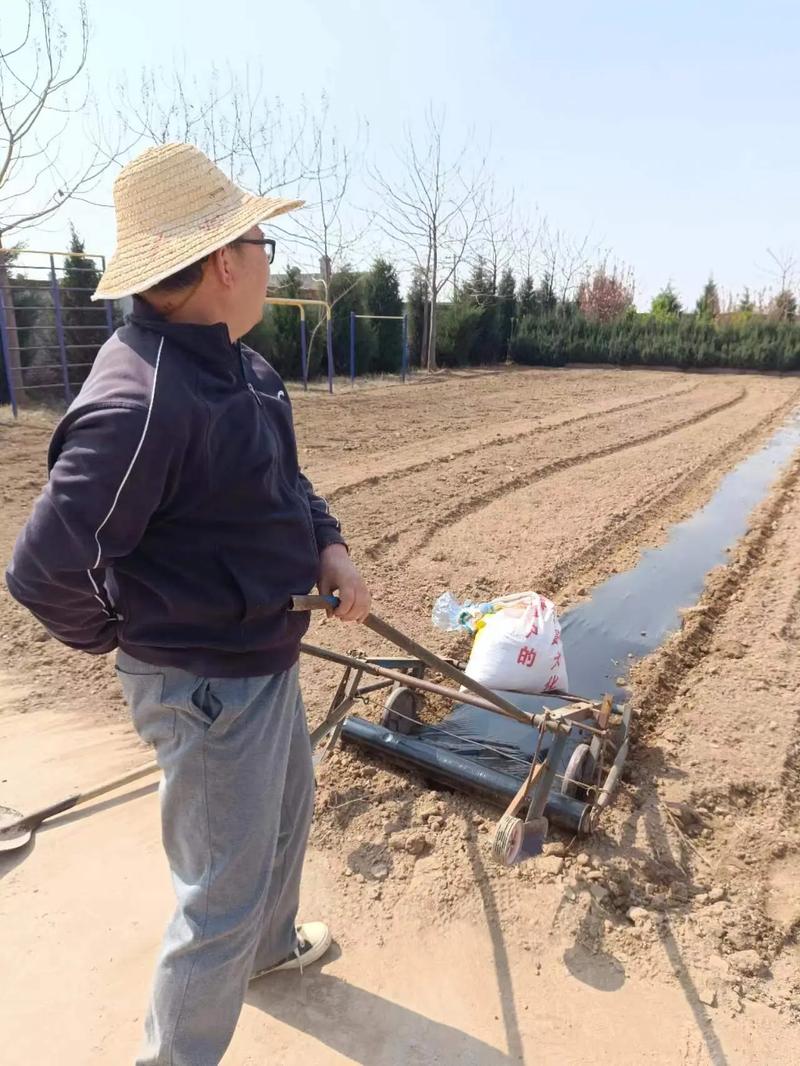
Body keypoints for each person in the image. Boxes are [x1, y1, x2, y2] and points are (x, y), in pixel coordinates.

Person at [5, 142, 370, 1065]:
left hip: (263, 656)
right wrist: (142, 639)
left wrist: (326, 545)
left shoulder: (243, 369)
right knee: (219, 898)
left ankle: (270, 955)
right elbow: (43, 567)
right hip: (205, 685)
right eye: (262, 243)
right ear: (221, 263)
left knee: (289, 808)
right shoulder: (141, 398)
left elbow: (287, 487)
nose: (268, 260)